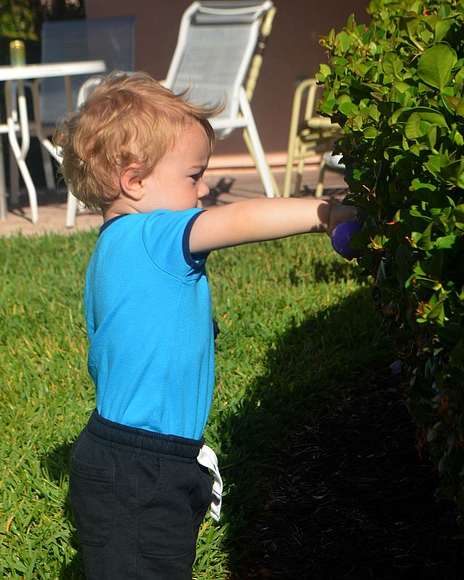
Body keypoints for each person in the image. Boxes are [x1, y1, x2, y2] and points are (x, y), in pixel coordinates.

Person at [54, 71, 356, 579]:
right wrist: (326, 212)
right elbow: (238, 221)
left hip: (142, 457)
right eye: (194, 176)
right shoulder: (155, 233)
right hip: (141, 465)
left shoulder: (116, 248)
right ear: (134, 181)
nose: (205, 186)